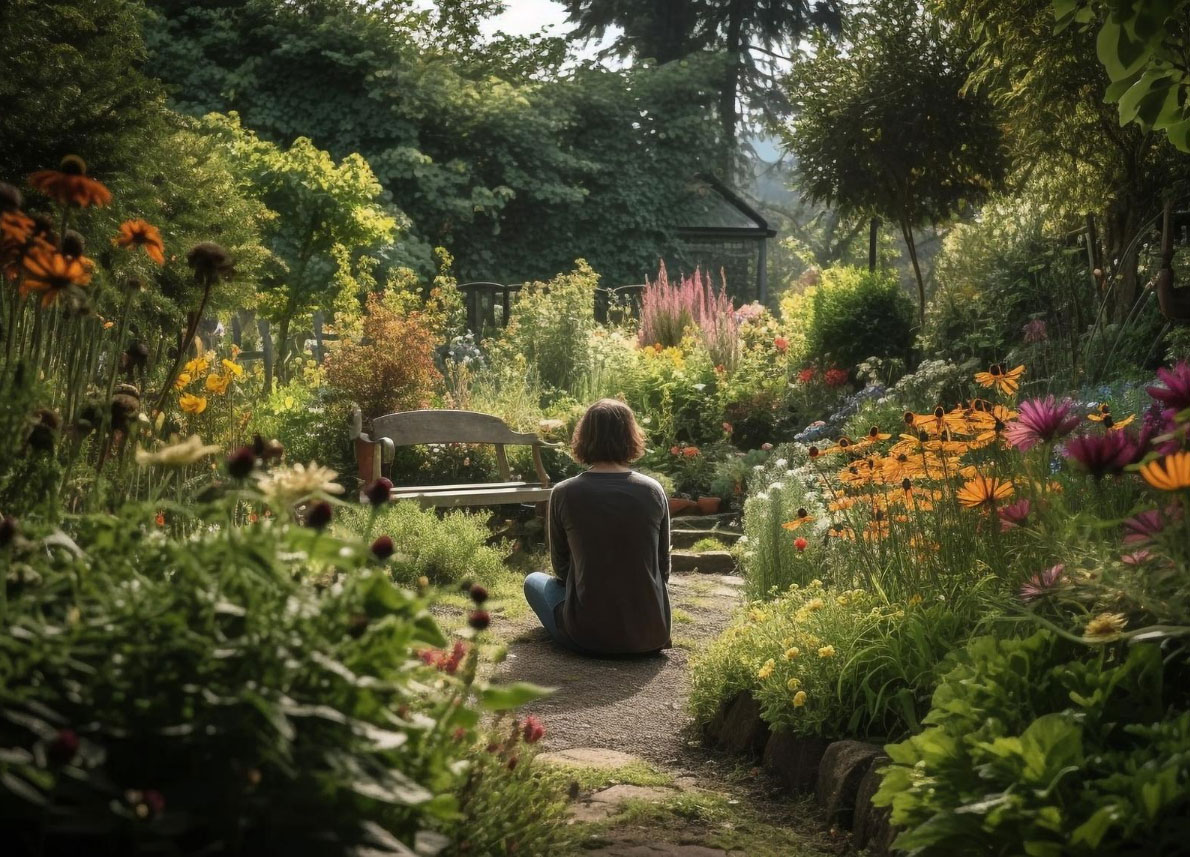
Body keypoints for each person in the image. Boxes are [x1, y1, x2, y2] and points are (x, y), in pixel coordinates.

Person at [524, 398, 671, 655]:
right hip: (650, 636)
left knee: (533, 581)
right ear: (631, 436)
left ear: (584, 437)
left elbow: (561, 569)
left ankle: (580, 621)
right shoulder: (653, 491)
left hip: (587, 637)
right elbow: (663, 568)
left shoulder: (564, 493)